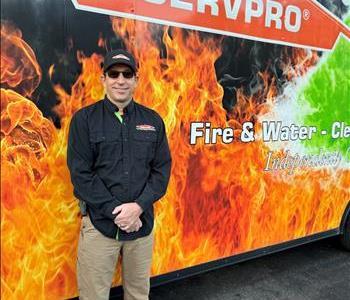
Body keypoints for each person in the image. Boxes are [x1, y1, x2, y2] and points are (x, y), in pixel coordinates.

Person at [67, 49, 172, 300]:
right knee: (93, 297)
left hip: (141, 226)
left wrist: (138, 208)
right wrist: (119, 213)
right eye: (114, 74)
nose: (121, 80)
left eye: (127, 74)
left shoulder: (153, 121)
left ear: (136, 80)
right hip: (101, 227)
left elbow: (161, 170)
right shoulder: (84, 120)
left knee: (138, 295)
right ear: (103, 79)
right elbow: (81, 175)